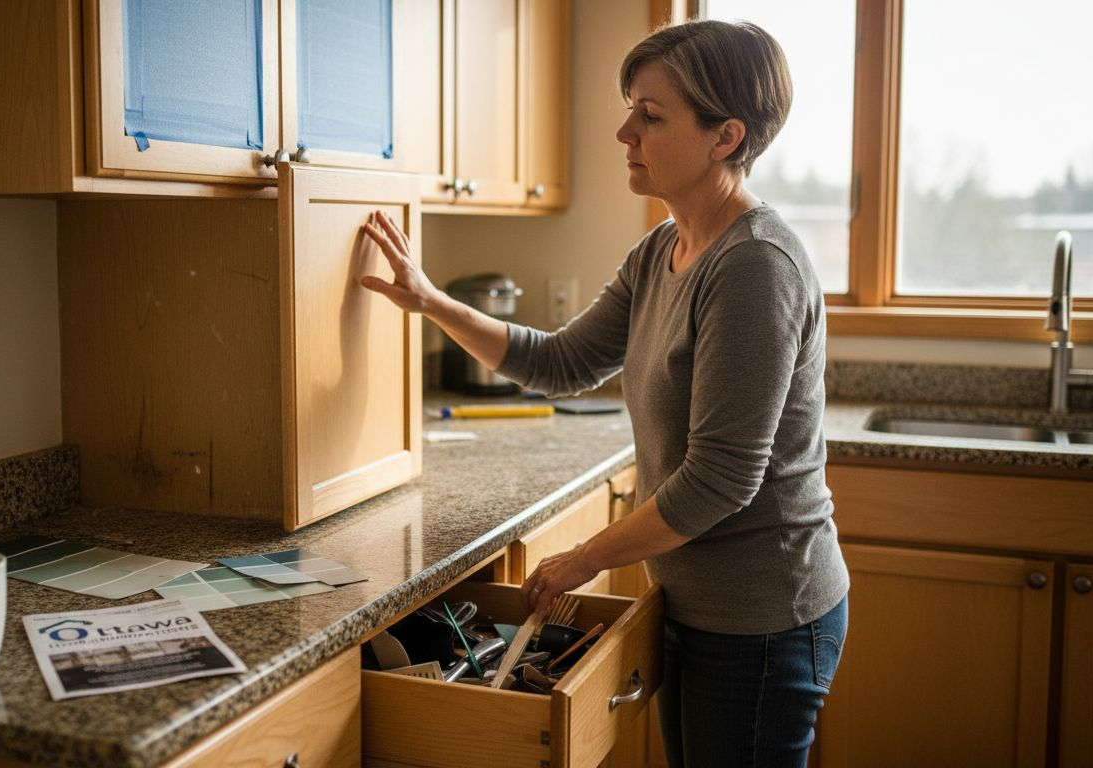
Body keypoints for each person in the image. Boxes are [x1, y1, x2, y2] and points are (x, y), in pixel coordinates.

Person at [359, 19, 849, 767]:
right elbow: (561, 362)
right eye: (631, 107)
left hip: (763, 617)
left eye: (651, 116)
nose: (625, 131)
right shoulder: (664, 249)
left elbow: (721, 479)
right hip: (694, 601)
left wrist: (584, 557)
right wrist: (432, 302)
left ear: (726, 137)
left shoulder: (755, 268)